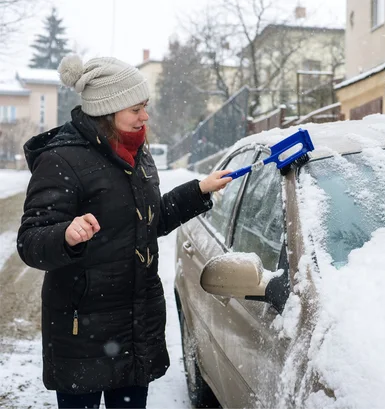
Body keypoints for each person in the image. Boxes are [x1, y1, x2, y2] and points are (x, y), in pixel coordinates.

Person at [16, 54, 232, 409]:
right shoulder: (62, 159)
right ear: (107, 109)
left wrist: (199, 190)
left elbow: (148, 221)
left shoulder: (137, 153)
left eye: (144, 106)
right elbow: (29, 242)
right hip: (82, 332)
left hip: (134, 327)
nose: (145, 116)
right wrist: (65, 235)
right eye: (136, 109)